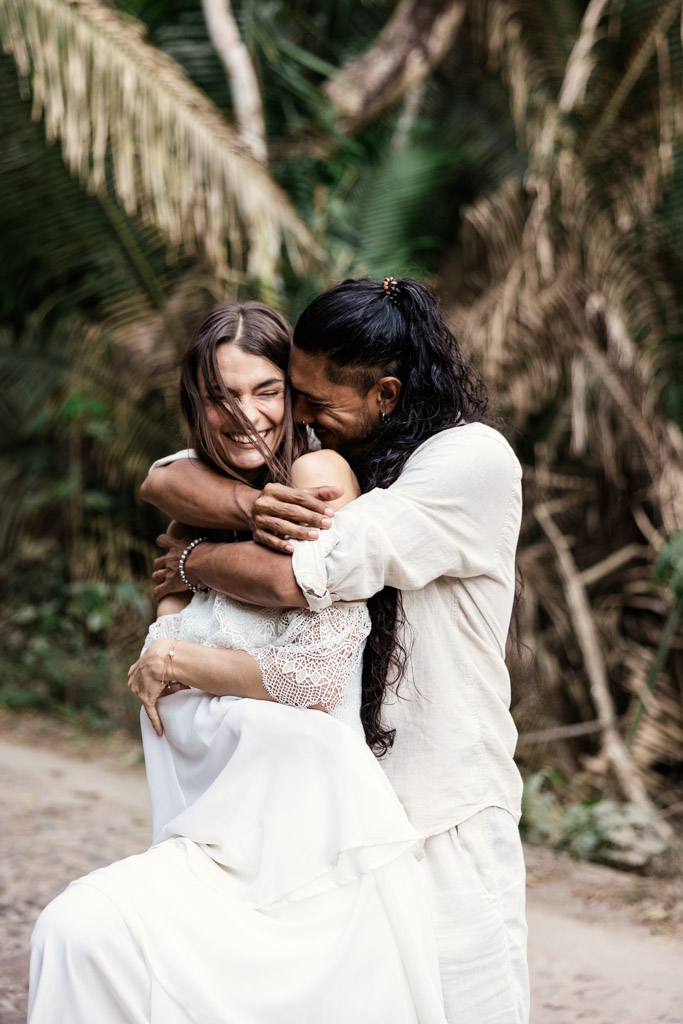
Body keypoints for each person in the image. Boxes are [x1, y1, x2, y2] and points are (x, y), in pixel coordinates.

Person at [28, 301, 447, 1024]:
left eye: (265, 390)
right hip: (216, 829)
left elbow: (312, 676)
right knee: (81, 934)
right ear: (196, 402)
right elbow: (162, 629)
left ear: (293, 392)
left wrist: (183, 649)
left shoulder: (318, 472)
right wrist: (186, 577)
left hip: (305, 840)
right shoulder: (189, 506)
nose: (244, 413)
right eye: (220, 394)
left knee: (85, 928)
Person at [146, 277, 530, 1024]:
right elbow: (165, 474)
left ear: (385, 394)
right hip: (346, 811)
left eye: (313, 400)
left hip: (440, 810)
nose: (299, 416)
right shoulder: (352, 452)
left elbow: (299, 574)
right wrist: (240, 505)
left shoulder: (468, 459)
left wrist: (193, 558)